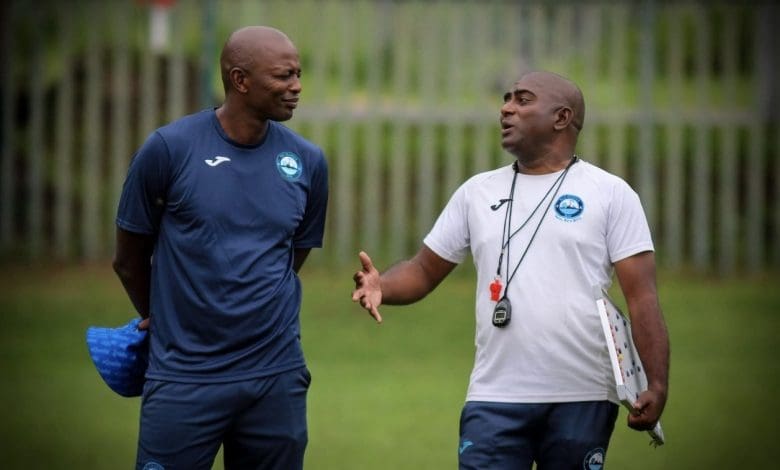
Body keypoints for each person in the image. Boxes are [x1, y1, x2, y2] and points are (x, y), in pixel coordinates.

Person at [352, 71, 668, 469]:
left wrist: (656, 383)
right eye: (506, 99)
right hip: (494, 395)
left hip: (583, 393)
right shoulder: (476, 192)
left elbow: (642, 298)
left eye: (522, 100)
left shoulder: (610, 194)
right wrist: (383, 286)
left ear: (561, 117)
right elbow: (423, 269)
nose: (506, 108)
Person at [112, 26, 329, 470]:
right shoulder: (169, 150)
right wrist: (165, 317)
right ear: (240, 80)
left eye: (299, 74)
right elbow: (128, 258)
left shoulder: (307, 161)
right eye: (284, 76)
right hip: (184, 378)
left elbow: (290, 257)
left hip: (276, 377)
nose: (297, 87)